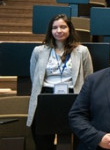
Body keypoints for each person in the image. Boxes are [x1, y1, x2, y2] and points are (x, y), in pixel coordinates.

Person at [28, 15, 93, 150]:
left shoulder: (82, 51)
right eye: (55, 27)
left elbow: (88, 77)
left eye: (63, 27)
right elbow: (35, 77)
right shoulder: (39, 51)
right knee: (42, 139)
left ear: (70, 29)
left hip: (73, 96)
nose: (59, 30)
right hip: (46, 96)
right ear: (50, 30)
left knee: (78, 138)